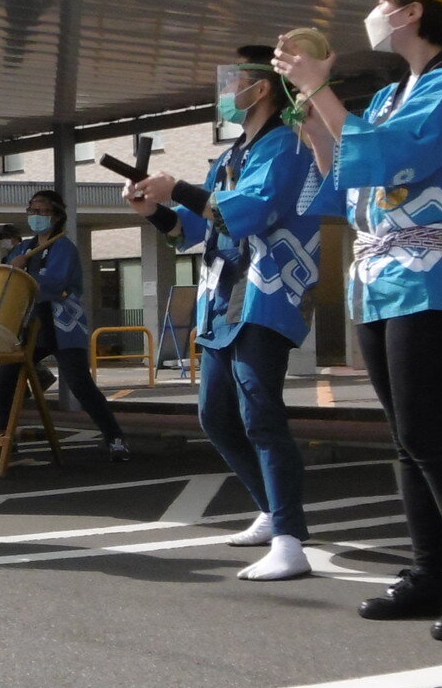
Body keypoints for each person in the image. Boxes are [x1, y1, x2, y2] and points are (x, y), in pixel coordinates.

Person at [277, 0, 442, 641]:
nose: (375, 11)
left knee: (424, 432)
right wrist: (315, 120)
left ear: (412, 12)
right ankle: (429, 572)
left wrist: (320, 89)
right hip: (379, 273)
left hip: (428, 269)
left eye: (383, 1)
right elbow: (349, 182)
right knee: (408, 437)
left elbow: (394, 158)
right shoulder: (386, 97)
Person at [124, 45, 326, 583]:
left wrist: (179, 189)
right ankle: (273, 510)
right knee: (216, 415)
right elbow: (195, 229)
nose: (224, 94)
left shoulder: (286, 146)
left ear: (259, 89)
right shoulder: (232, 154)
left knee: (260, 413)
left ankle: (290, 538)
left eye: (231, 82)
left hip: (267, 292)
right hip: (226, 297)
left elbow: (249, 213)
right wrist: (154, 210)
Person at [0, 189, 130, 460]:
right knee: (3, 380)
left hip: (63, 325)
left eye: (42, 211)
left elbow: (53, 284)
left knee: (79, 384)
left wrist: (21, 271)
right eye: (32, 210)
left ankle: (115, 437)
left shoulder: (63, 247)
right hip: (29, 324)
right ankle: (6, 439)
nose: (36, 216)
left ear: (56, 216)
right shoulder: (25, 248)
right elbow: (6, 275)